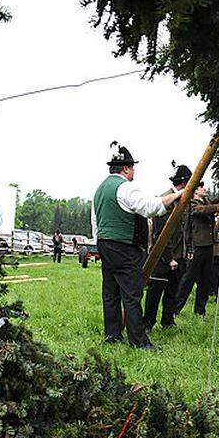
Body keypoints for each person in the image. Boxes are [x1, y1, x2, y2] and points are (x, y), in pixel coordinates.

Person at [92, 143, 183, 350]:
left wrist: (101, 243)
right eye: (132, 168)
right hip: (124, 247)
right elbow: (150, 207)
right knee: (132, 294)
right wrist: (175, 196)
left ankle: (112, 336)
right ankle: (139, 341)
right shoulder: (125, 187)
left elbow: (95, 223)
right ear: (125, 168)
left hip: (105, 244)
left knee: (110, 293)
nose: (133, 171)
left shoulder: (99, 190)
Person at [145, 164, 191, 329]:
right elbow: (160, 233)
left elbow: (185, 229)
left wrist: (187, 251)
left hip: (179, 254)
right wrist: (169, 258)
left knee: (173, 290)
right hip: (162, 255)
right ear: (185, 183)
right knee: (155, 290)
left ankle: (168, 321)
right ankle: (148, 323)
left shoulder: (186, 200)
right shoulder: (165, 198)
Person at [173, 183, 219, 317]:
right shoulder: (191, 204)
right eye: (201, 187)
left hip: (208, 246)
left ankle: (200, 311)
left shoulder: (206, 202)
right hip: (196, 247)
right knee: (188, 280)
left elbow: (211, 206)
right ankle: (175, 309)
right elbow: (201, 210)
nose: (205, 189)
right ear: (195, 191)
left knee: (205, 280)